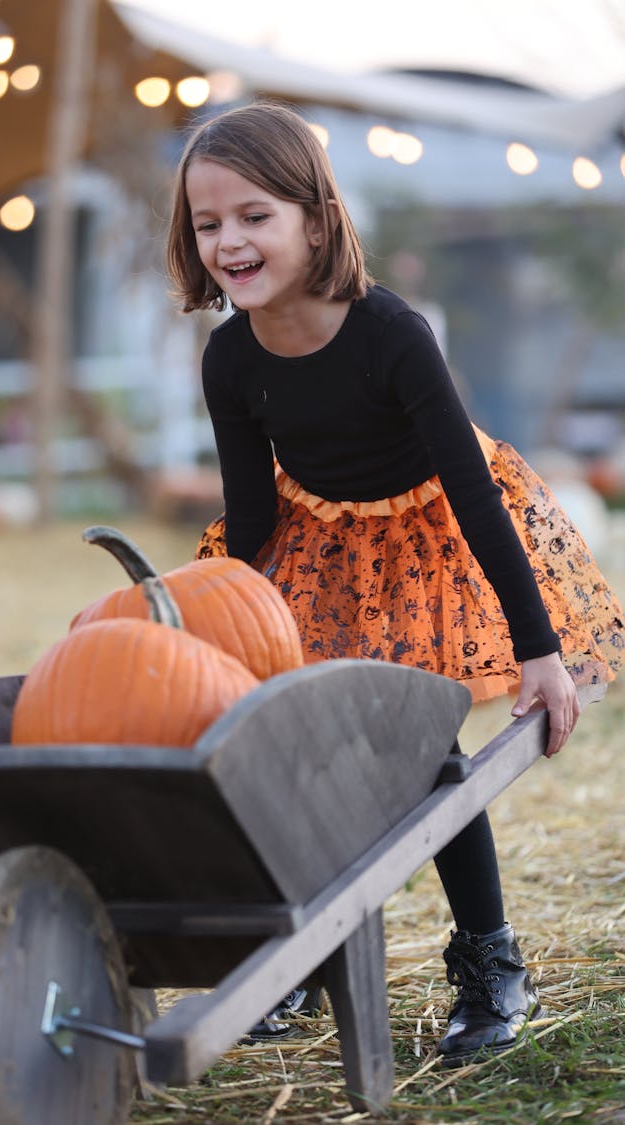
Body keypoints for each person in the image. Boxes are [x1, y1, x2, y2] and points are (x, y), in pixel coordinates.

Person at [165, 101, 625, 1062]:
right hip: (320, 544)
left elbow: (473, 495)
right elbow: (251, 522)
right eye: (209, 223)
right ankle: (290, 958)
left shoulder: (391, 334)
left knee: (422, 747)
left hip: (435, 537)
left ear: (316, 219)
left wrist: (538, 652)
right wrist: (190, 635)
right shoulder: (231, 357)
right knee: (283, 739)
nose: (229, 241)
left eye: (255, 216)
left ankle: (491, 961)